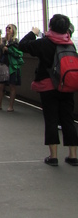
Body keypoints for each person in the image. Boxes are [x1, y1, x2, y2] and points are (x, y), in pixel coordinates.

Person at [18, 14, 78, 166]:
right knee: (68, 120)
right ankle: (73, 156)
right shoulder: (70, 44)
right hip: (67, 86)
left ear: (51, 26)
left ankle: (53, 157)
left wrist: (34, 32)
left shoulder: (44, 43)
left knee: (51, 120)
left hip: (48, 87)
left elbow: (22, 45)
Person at [0, 24, 23, 112]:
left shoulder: (15, 41)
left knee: (12, 86)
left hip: (12, 65)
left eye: (9, 28)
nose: (7, 29)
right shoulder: (3, 40)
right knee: (0, 85)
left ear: (13, 30)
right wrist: (0, 41)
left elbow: (18, 53)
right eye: (6, 28)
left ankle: (11, 106)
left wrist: (8, 49)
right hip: (3, 64)